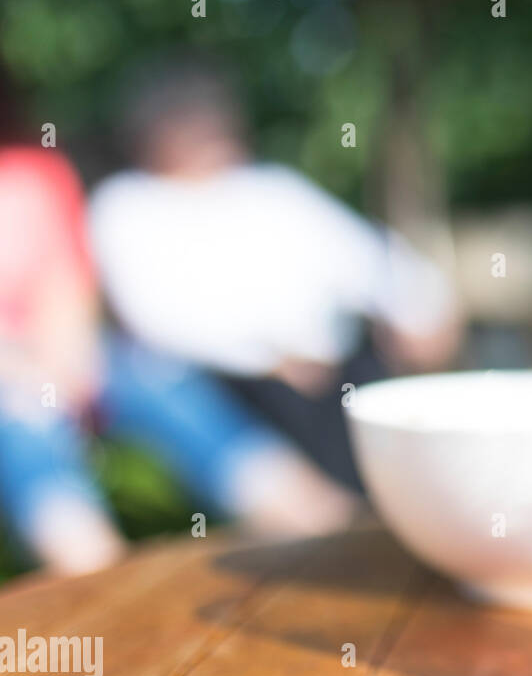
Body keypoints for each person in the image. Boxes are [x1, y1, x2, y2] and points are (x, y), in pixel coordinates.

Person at [0, 71, 357, 575]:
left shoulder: (35, 173)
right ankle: (93, 579)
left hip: (61, 357)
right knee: (21, 423)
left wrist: (63, 370)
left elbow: (66, 293)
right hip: (11, 380)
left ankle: (311, 517)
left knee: (156, 375)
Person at [88, 58, 462, 490]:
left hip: (339, 376)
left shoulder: (273, 191)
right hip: (235, 391)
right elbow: (157, 321)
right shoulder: (126, 208)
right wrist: (270, 360)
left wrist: (420, 311)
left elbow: (371, 262)